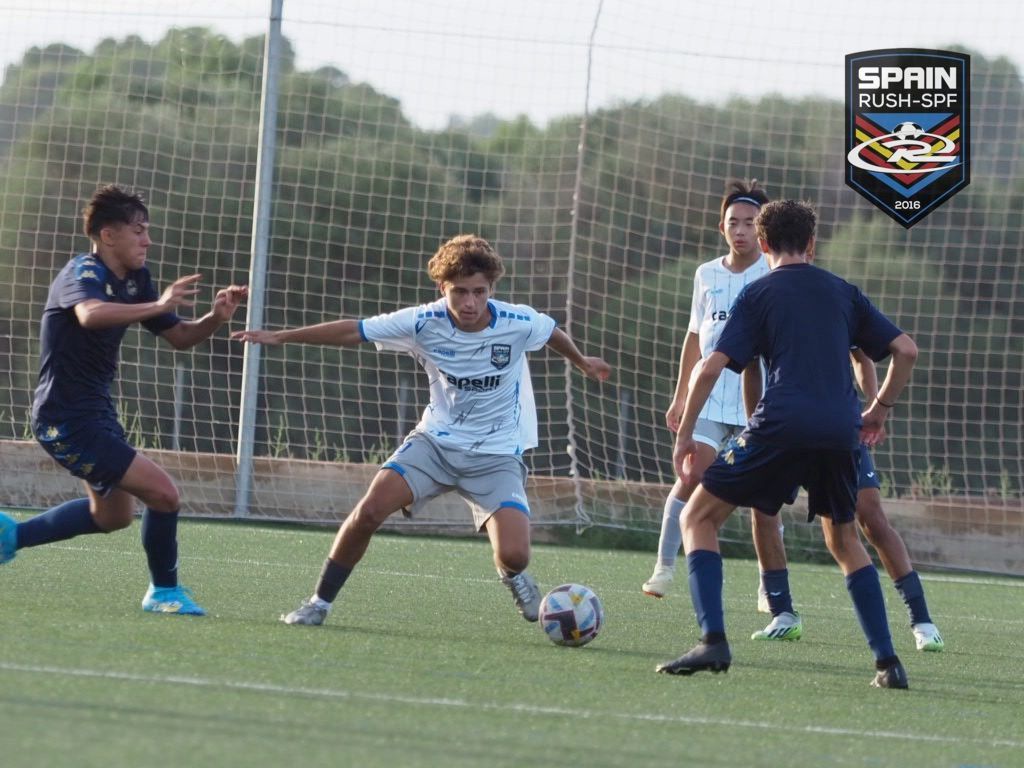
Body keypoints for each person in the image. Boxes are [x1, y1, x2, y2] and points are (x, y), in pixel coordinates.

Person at [232, 234, 611, 626]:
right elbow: (354, 331)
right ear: (441, 287)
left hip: (497, 454)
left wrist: (582, 361)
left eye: (479, 292)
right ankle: (318, 603)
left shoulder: (518, 321)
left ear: (491, 290)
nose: (470, 303)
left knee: (516, 555)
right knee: (369, 510)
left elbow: (550, 332)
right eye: (459, 292)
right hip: (435, 444)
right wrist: (282, 336)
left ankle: (512, 576)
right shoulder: (421, 321)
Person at [656, 200, 918, 689]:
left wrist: (686, 433)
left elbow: (710, 366)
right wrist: (879, 408)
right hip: (841, 429)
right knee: (844, 540)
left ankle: (712, 640)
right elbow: (906, 349)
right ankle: (888, 663)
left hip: (782, 423)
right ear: (812, 245)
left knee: (696, 517)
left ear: (767, 244)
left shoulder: (757, 294)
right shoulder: (843, 292)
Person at [0, 184, 248, 615]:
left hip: (95, 412)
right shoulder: (82, 272)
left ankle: (9, 538)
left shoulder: (136, 281)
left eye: (147, 230)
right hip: (66, 416)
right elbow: (90, 315)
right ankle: (164, 593)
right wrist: (159, 304)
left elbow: (181, 337)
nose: (147, 240)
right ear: (108, 236)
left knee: (112, 517)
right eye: (138, 230)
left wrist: (214, 318)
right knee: (165, 494)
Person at [641, 180, 800, 638]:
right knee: (692, 477)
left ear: (764, 229)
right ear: (722, 227)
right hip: (707, 394)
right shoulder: (706, 274)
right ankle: (664, 569)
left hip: (758, 399)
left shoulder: (774, 276)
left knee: (763, 496)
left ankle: (768, 587)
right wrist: (679, 395)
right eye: (734, 222)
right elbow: (695, 337)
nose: (742, 230)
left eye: (751, 222)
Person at [748, 347, 944, 650]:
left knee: (870, 518)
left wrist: (875, 407)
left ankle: (922, 621)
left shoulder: (840, 300)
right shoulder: (768, 301)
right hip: (782, 424)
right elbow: (750, 364)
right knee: (763, 508)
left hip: (836, 425)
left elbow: (864, 356)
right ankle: (782, 614)